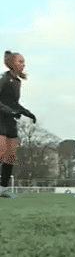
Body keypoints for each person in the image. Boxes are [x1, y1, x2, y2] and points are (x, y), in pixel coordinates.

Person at [0, 51, 36, 199]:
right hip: (1, 118)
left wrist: (27, 113)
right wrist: (9, 111)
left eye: (23, 61)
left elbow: (15, 103)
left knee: (10, 156)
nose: (23, 64)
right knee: (1, 151)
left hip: (10, 120)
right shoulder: (4, 79)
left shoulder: (17, 81)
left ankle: (3, 188)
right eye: (20, 61)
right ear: (12, 63)